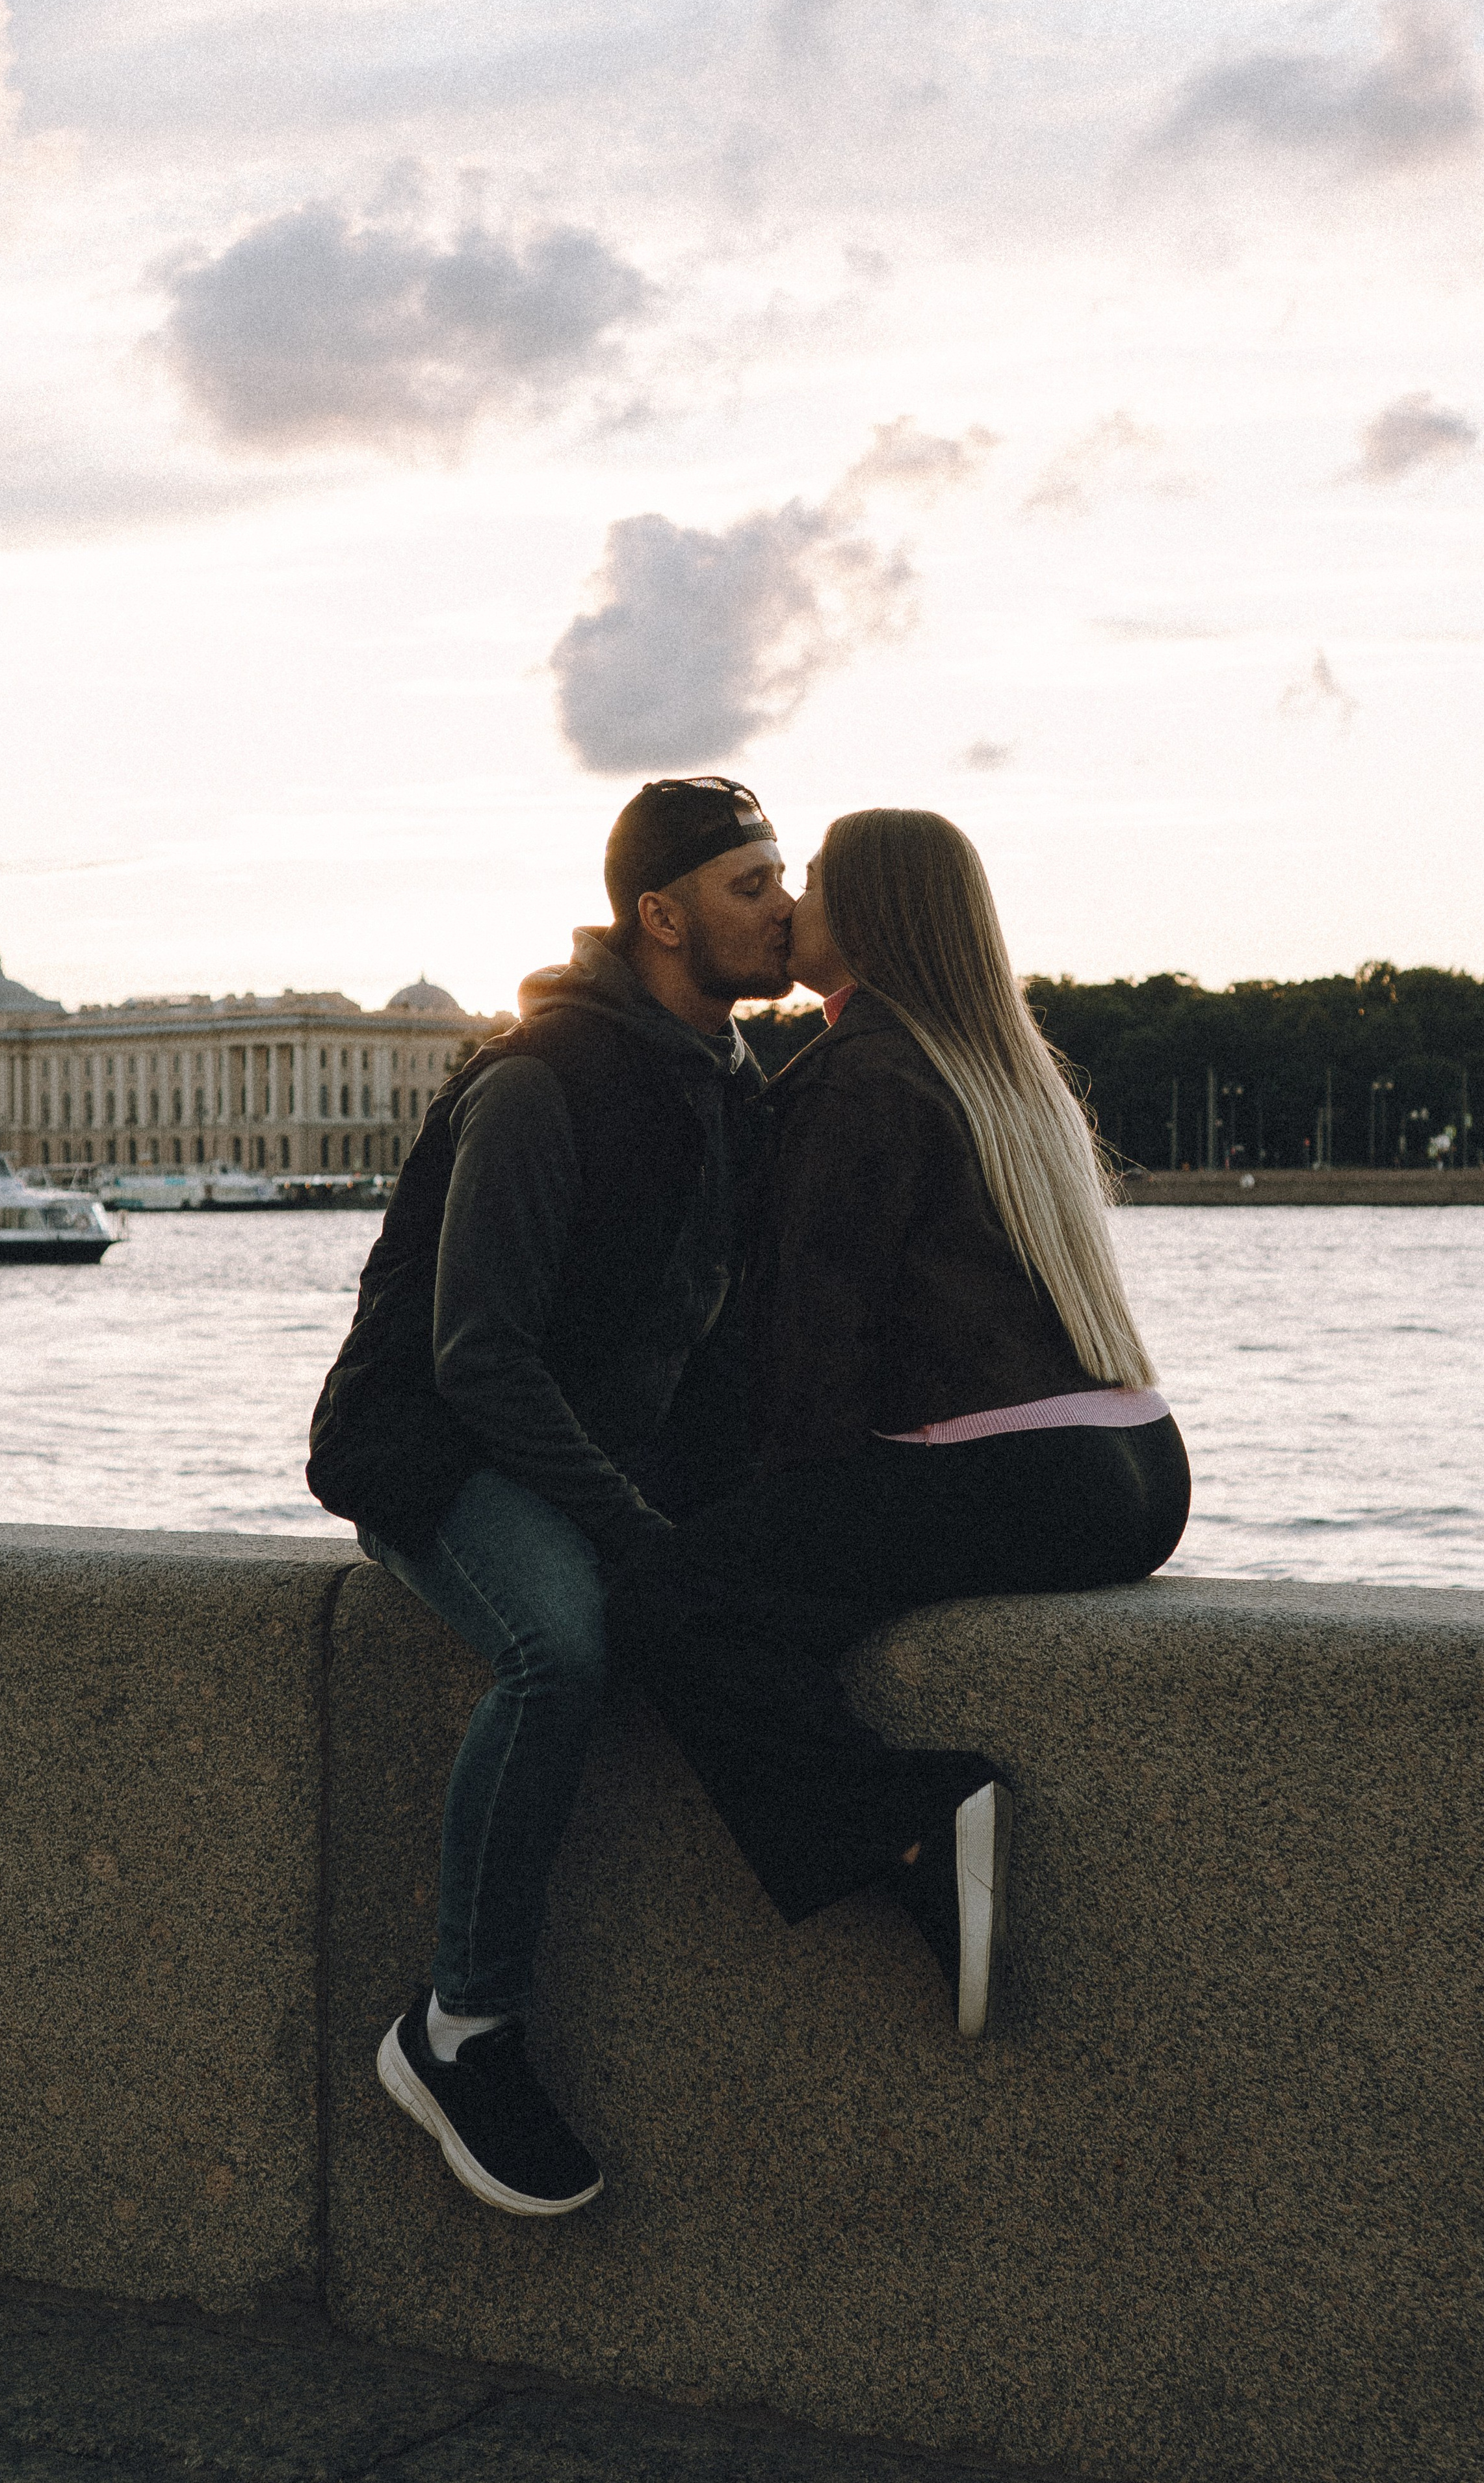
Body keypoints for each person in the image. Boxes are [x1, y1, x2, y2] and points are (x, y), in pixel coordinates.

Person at [610, 806, 1189, 2040]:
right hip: (1136, 1467)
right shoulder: (993, 1061)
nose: (788, 907)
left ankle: (915, 1815)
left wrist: (726, 1519)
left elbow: (815, 1359)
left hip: (1020, 1474)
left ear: (864, 915)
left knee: (675, 1597)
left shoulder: (860, 1075)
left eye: (808, 883)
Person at [306, 776, 794, 2216]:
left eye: (787, 879)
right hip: (428, 1452)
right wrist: (633, 1528)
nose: (785, 911)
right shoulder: (543, 1078)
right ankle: (458, 2031)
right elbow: (477, 1363)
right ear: (661, 915)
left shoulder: (727, 1083)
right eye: (752, 886)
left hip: (563, 1453)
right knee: (558, 1647)